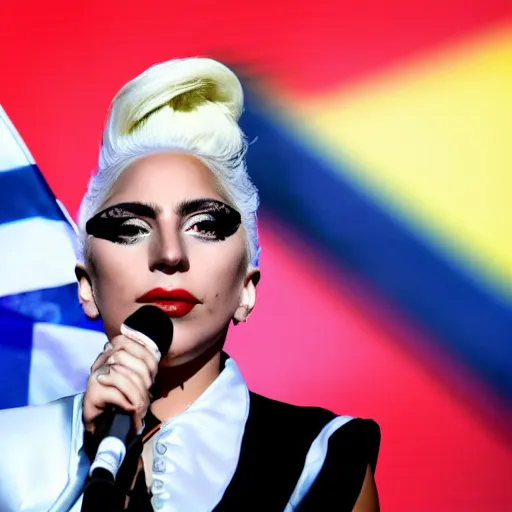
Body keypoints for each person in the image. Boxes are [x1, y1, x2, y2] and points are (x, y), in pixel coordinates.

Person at [0, 57, 380, 511]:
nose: (169, 254)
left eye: (204, 225)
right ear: (86, 285)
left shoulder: (321, 462)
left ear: (247, 287)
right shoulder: (11, 454)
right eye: (130, 228)